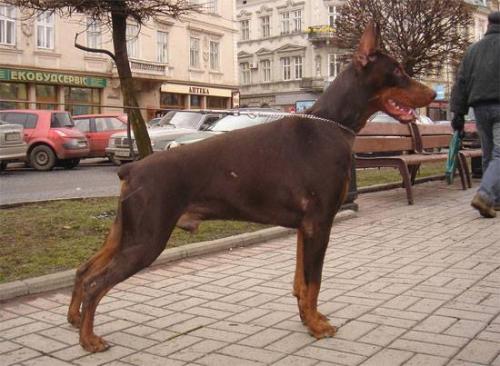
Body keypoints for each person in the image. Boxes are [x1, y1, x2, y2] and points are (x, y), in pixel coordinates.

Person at [450, 11, 500, 218]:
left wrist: (458, 115)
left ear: (488, 25)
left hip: (479, 108)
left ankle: (493, 201)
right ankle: (485, 194)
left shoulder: (473, 50)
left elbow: (460, 83)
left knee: (489, 154)